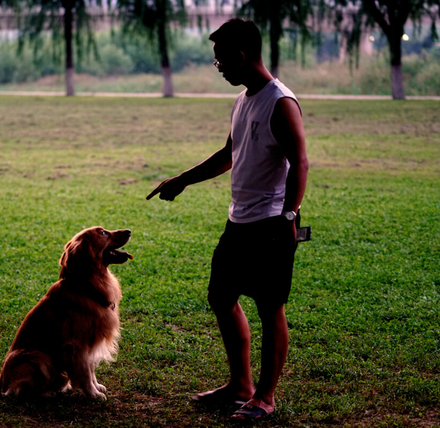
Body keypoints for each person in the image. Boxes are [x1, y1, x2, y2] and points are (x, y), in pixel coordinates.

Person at [146, 18, 308, 421]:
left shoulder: (280, 102)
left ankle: (265, 398)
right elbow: (228, 154)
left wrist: (288, 218)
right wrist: (182, 180)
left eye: (220, 61)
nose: (217, 68)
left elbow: (300, 162)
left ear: (240, 56)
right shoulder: (244, 100)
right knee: (221, 297)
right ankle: (240, 385)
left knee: (271, 308)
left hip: (270, 223)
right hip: (239, 222)